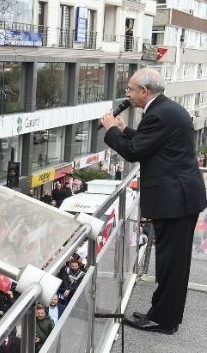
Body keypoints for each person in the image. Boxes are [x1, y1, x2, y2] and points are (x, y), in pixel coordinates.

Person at [101, 67, 207, 334]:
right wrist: (125, 130)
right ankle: (161, 313)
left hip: (176, 201)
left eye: (131, 89)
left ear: (144, 91)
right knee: (172, 262)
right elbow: (152, 145)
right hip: (180, 198)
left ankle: (164, 321)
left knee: (172, 264)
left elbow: (134, 153)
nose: (128, 93)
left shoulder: (158, 114)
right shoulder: (165, 110)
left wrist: (112, 131)